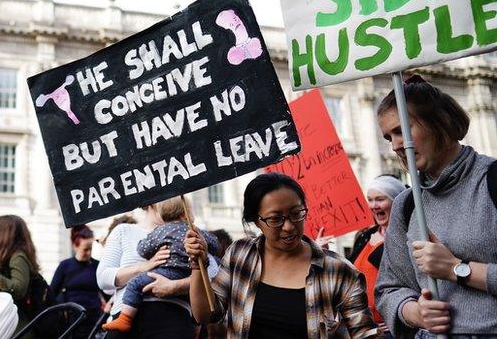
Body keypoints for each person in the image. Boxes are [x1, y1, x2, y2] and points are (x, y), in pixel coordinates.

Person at [374, 75, 497, 336]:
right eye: (388, 137)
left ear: (439, 122)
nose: (396, 145)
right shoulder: (406, 204)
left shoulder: (492, 179)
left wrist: (457, 269)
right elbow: (389, 289)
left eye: (401, 130)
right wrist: (413, 312)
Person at [186, 172, 377, 338]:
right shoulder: (240, 255)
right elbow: (206, 314)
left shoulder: (338, 271)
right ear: (256, 221)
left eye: (296, 214)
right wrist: (197, 264)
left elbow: (365, 333)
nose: (289, 227)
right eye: (275, 219)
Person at [102, 198, 217, 333]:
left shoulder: (189, 236)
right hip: (132, 322)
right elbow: (103, 280)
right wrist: (146, 266)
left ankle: (125, 319)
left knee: (135, 284)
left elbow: (212, 276)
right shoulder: (124, 230)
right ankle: (124, 319)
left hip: (174, 317)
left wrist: (175, 286)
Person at [346, 175, 407, 337]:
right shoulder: (365, 235)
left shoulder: (407, 234)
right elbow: (349, 273)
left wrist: (380, 246)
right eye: (370, 200)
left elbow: (403, 273)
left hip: (393, 329)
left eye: (380, 199)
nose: (373, 206)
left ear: (396, 201)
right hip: (364, 327)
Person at [0, 215, 41, 339]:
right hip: (9, 325)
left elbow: (18, 289)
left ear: (3, 233)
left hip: (17, 328)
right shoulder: (8, 257)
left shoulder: (18, 257)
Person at [50, 225, 102, 339]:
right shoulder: (65, 266)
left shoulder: (97, 266)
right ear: (75, 246)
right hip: (71, 321)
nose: (88, 253)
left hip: (93, 320)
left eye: (90, 248)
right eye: (85, 249)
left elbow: (107, 293)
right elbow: (51, 292)